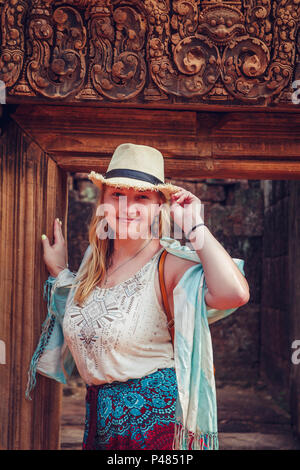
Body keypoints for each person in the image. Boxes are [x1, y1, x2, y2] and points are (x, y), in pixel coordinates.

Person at [27, 143, 249, 450]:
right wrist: (62, 272)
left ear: (159, 206)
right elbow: (90, 318)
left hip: (154, 427)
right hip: (101, 425)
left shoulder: (169, 263)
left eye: (141, 198)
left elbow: (234, 294)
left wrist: (196, 227)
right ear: (102, 201)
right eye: (116, 194)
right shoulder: (94, 260)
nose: (125, 207)